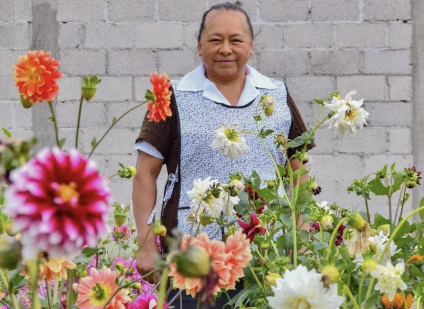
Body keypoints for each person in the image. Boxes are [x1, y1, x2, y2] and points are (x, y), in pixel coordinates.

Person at [132, 2, 313, 308]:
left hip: (267, 254)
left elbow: (299, 173)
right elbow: (145, 173)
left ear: (251, 46)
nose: (226, 49)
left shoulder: (276, 95)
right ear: (199, 46)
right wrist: (146, 243)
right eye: (215, 40)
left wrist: (304, 238)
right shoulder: (173, 96)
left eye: (236, 40)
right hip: (189, 258)